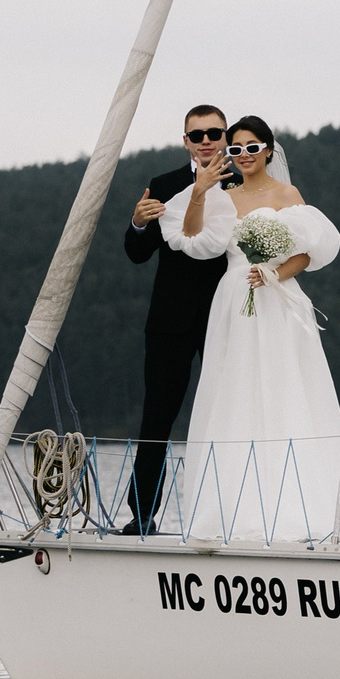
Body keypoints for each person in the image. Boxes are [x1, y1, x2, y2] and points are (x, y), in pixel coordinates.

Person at [165, 116, 340, 543]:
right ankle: (235, 509)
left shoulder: (287, 195)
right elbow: (192, 238)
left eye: (252, 147)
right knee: (236, 391)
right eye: (236, 149)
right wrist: (198, 192)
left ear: (268, 149)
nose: (243, 156)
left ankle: (298, 508)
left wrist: (274, 276)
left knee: (285, 388)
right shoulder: (222, 196)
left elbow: (307, 253)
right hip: (233, 297)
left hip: (275, 297)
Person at [120, 103, 231, 533]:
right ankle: (142, 516)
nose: (206, 140)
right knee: (157, 417)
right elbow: (136, 254)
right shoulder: (163, 184)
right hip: (170, 320)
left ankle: (229, 516)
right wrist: (137, 223)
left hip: (228, 315)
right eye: (197, 134)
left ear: (225, 136)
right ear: (185, 140)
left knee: (230, 412)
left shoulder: (242, 180)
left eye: (214, 133)